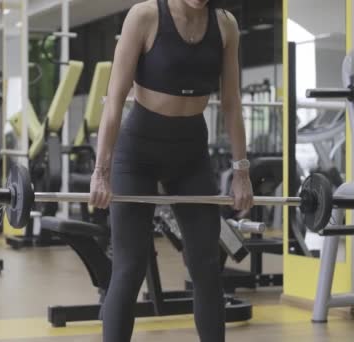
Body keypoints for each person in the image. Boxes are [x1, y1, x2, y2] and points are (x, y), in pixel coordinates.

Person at [89, 0, 254, 341]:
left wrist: (242, 172)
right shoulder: (145, 16)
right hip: (137, 153)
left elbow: (231, 102)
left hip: (191, 153)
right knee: (130, 267)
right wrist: (101, 170)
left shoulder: (225, 25)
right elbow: (115, 99)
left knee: (206, 266)